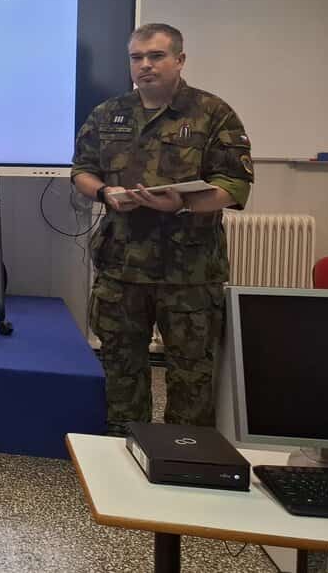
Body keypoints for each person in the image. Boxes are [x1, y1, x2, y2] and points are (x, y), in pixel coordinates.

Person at [71, 23, 253, 436]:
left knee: (191, 375)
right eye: (137, 58)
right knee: (120, 369)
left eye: (156, 56)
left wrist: (183, 203)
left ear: (179, 60)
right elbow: (81, 170)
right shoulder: (108, 113)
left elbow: (234, 184)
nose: (146, 66)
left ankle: (184, 455)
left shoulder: (212, 113)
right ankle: (124, 449)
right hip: (121, 267)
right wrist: (104, 192)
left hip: (189, 272)